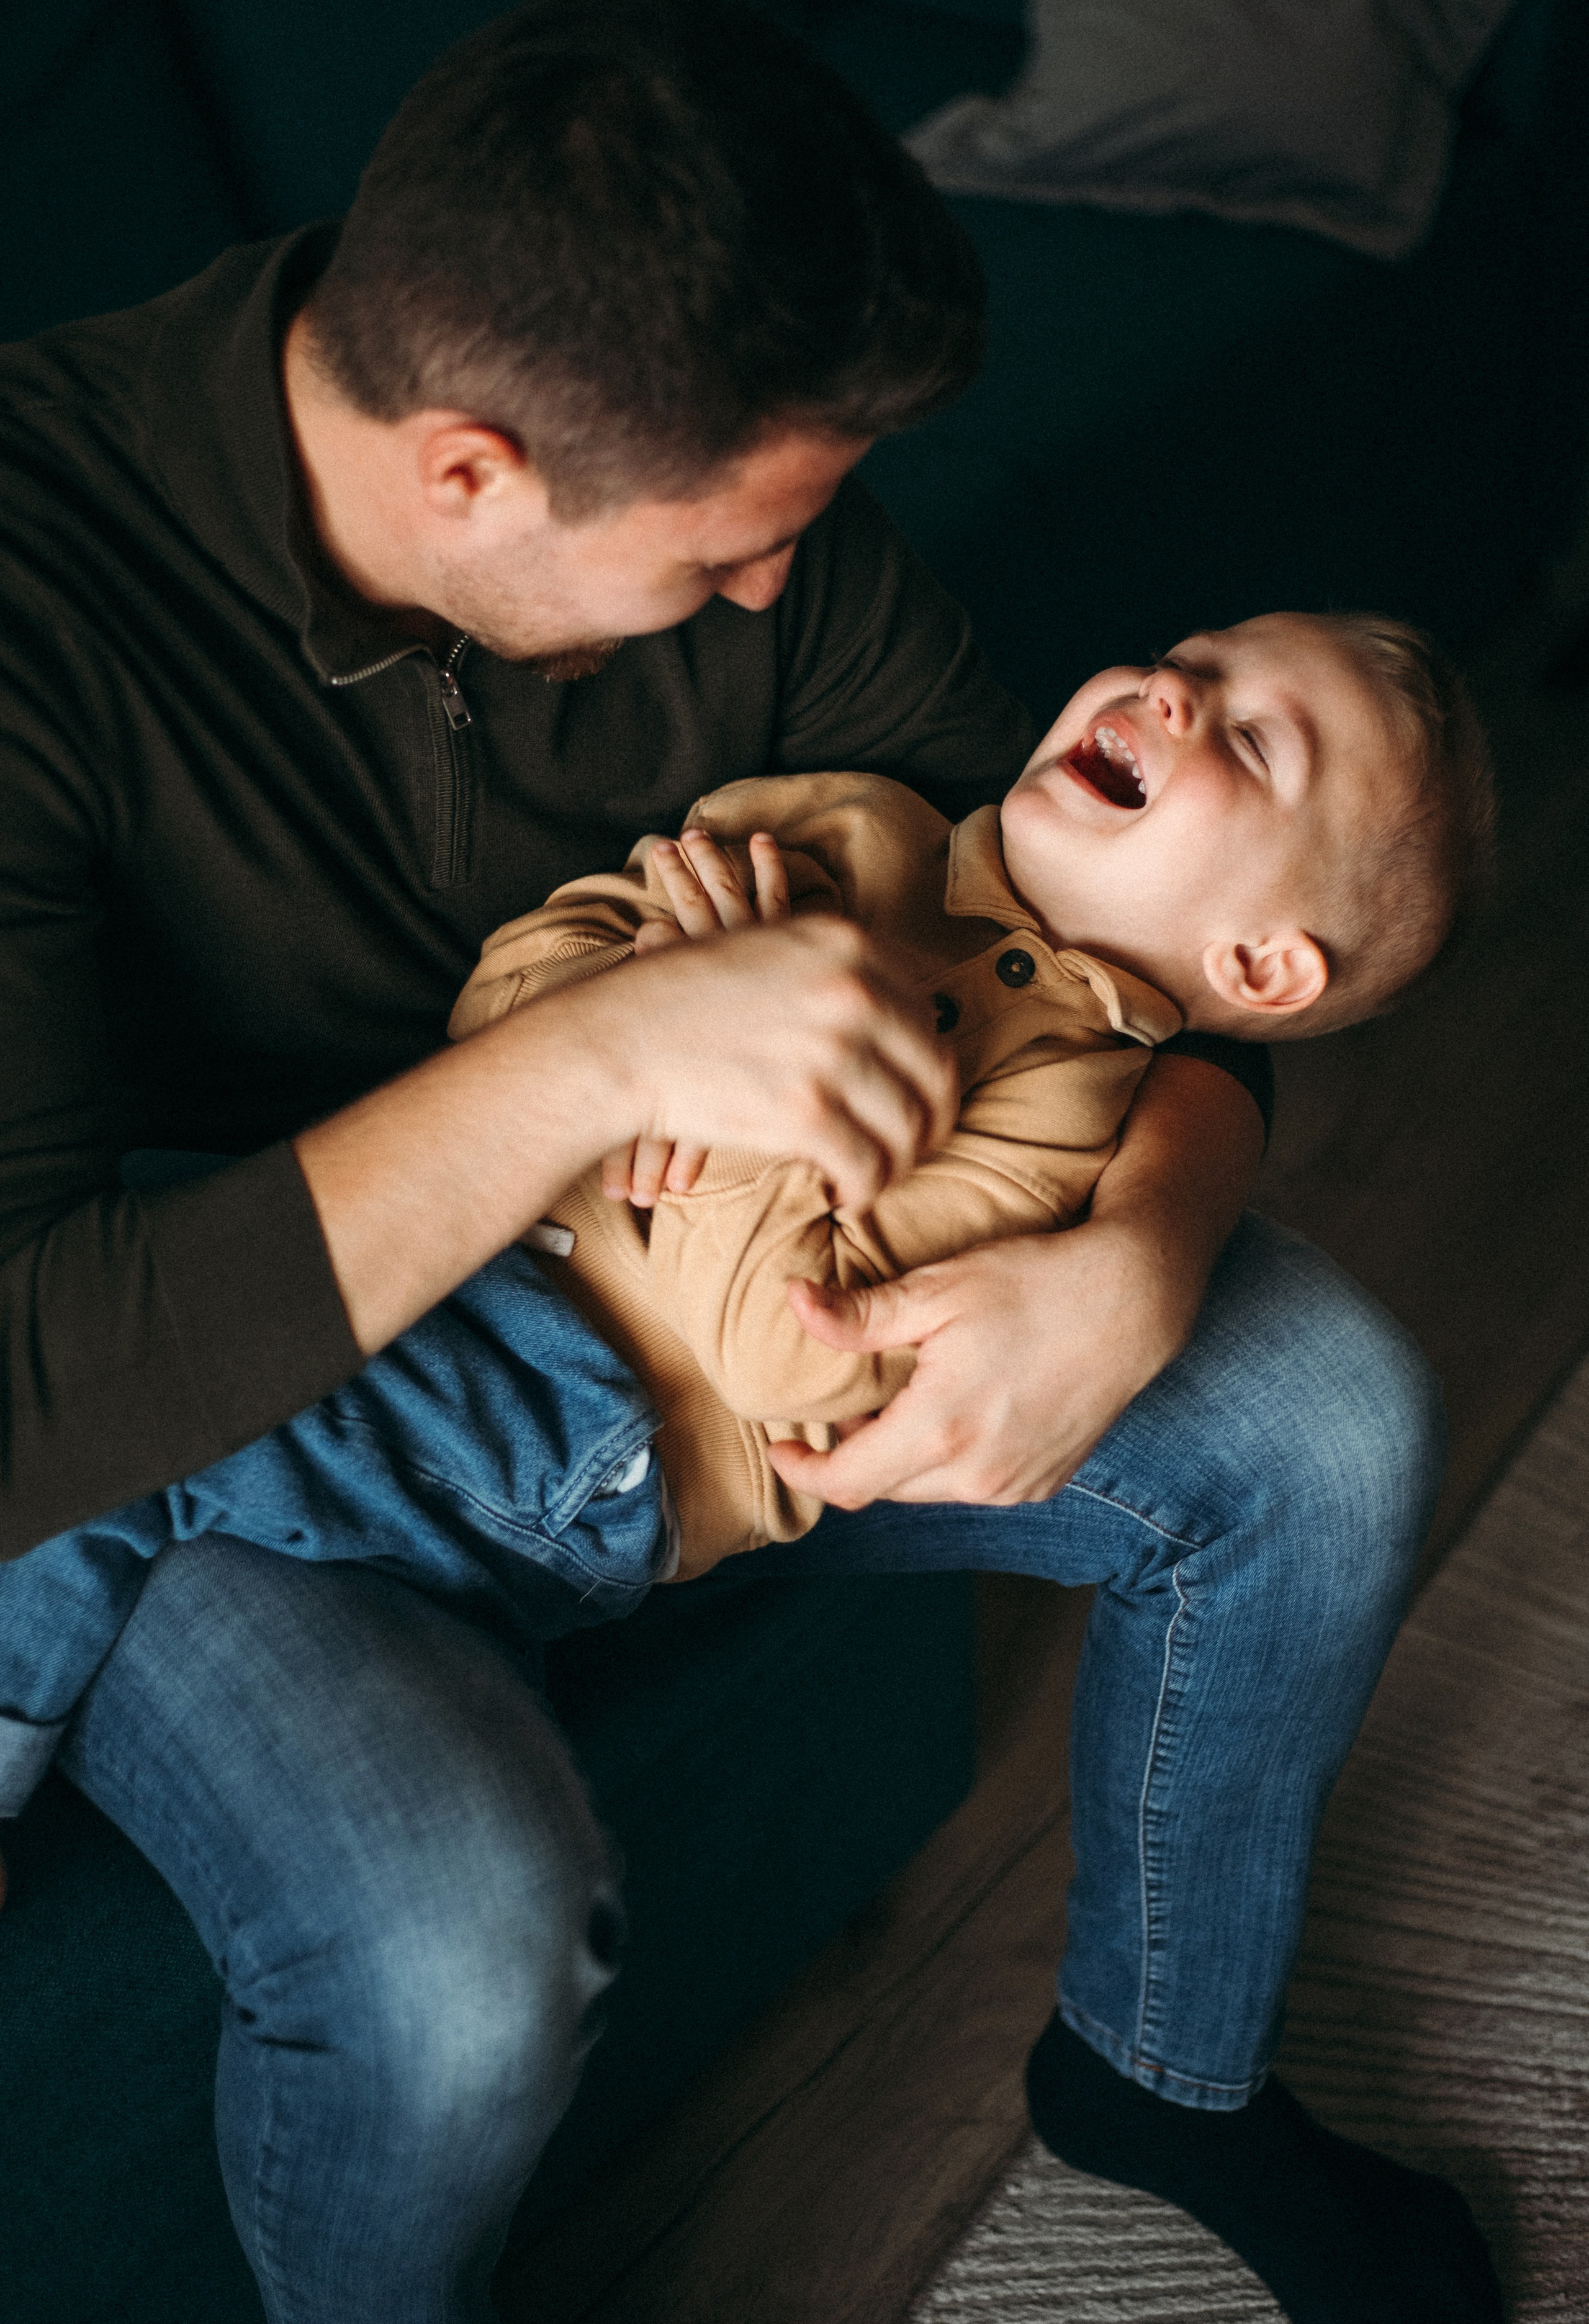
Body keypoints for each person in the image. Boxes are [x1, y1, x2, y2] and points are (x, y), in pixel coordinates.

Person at [0, 4, 1501, 2320]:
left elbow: (1106, 958)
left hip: (726, 1368)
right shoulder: (31, 600)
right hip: (257, 1400)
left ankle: (1162, 2074)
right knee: (463, 1937)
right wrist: (604, 1050)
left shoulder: (714, 449)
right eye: (731, 558)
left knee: (1321, 1401)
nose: (785, 598)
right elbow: (33, 1384)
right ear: (477, 477)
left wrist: (1138, 1248)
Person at [0, 609, 1497, 1742]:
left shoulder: (1067, 1113)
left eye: (1244, 742)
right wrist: (636, 1011)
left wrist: (709, 1060)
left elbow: (791, 1355)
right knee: (128, 1262)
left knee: (132, 1431)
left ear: (1258, 964)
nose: (1177, 691)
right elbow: (506, 999)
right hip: (454, 1240)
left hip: (588, 1434)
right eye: (1198, 659)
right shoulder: (849, 822)